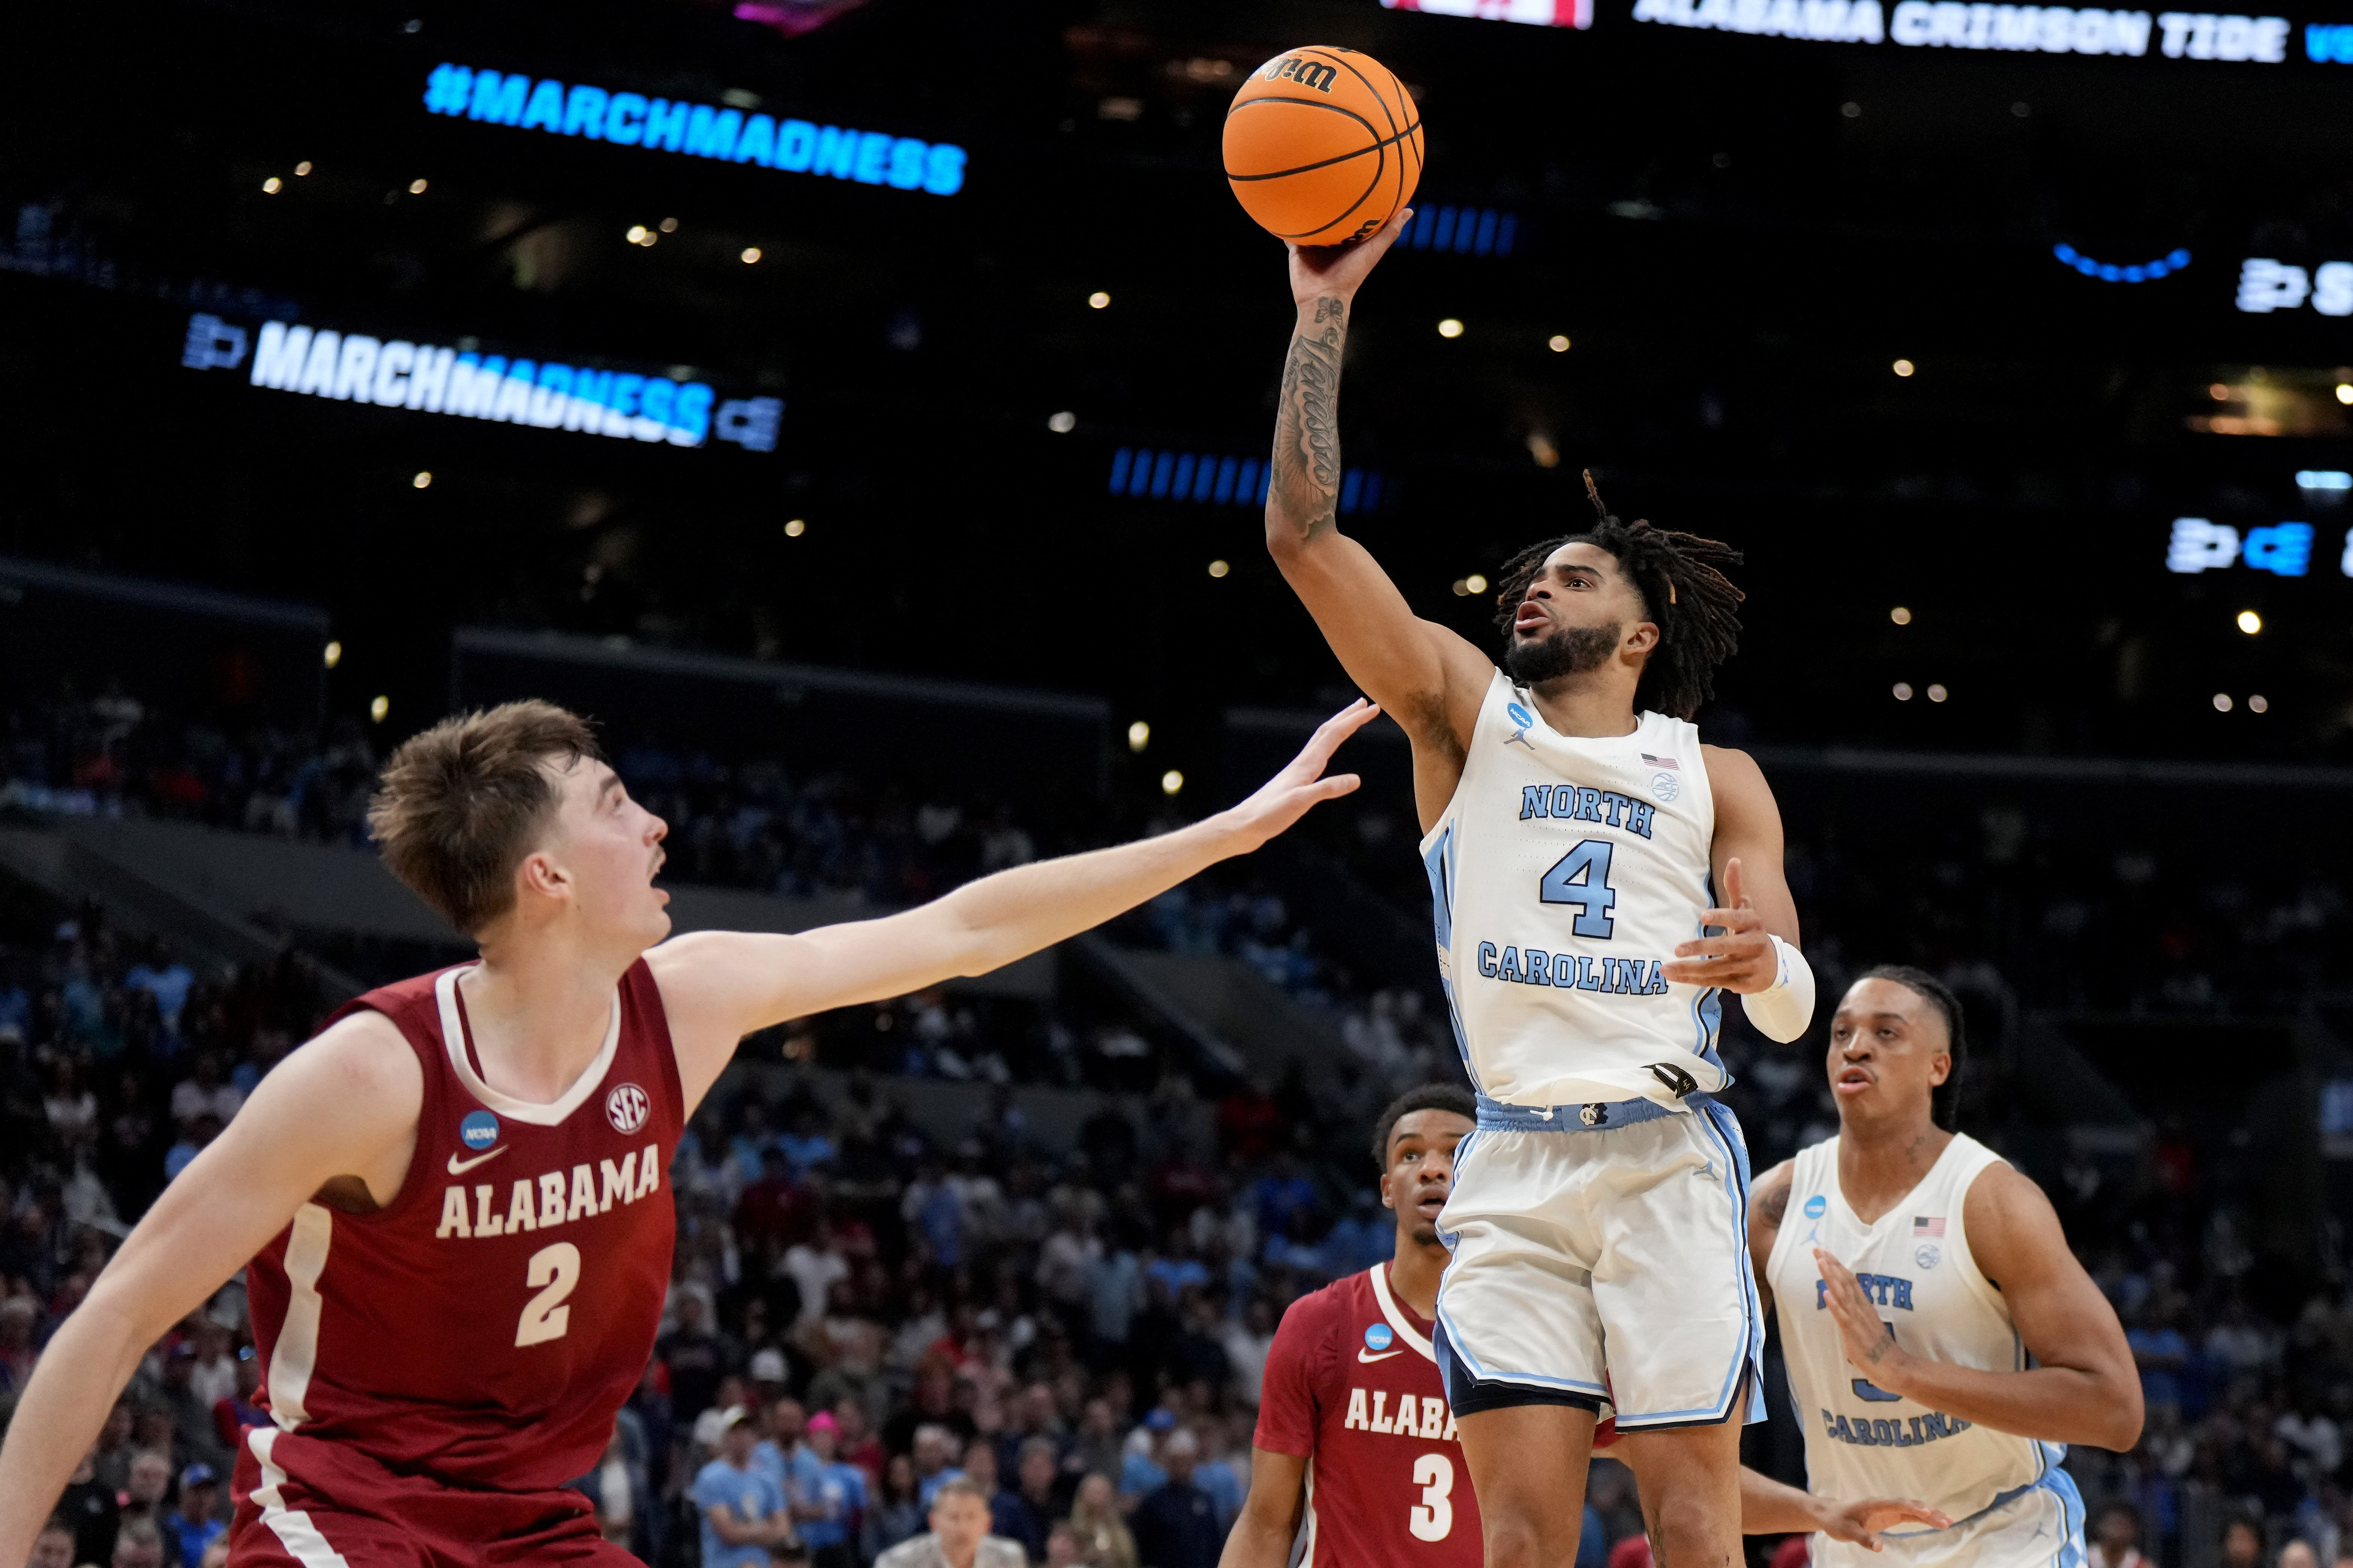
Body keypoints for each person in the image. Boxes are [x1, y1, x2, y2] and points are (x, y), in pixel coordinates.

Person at [0, 697, 1376, 1568]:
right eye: (614, 804)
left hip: (538, 1519)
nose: (655, 822)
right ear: (545, 877)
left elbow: (961, 929)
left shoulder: (688, 1000)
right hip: (341, 1508)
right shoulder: (373, 1072)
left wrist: (1223, 835)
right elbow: (115, 1315)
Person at [1259, 212, 1815, 1568]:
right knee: (1516, 1537)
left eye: (1575, 575)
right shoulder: (1463, 718)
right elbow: (1299, 533)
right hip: (1511, 1157)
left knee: (1694, 1520)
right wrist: (1319, 313)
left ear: (1638, 630)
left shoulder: (1716, 773)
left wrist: (1765, 967)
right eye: (1532, 574)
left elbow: (1794, 1004)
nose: (1537, 586)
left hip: (1668, 1157)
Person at [1220, 1086, 1942, 1568]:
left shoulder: (1552, 1333)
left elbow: (1680, 1479)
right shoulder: (1321, 1325)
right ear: (1385, 1187)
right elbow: (1265, 1518)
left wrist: (1821, 1510)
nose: (1431, 1170)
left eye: (1452, 1152)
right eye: (1409, 1155)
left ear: (1493, 1174)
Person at [1753, 967, 2145, 1568]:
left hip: (2004, 1537)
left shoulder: (1991, 1201)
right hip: (1854, 1542)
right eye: (1841, 1033)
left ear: (1938, 1066)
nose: (1855, 1046)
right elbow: (1698, 1409)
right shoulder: (1772, 1207)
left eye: (1887, 1032)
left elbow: (2115, 1409)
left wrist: (1904, 1370)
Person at [695, 1407, 796, 1568]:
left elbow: (783, 1529)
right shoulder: (711, 1477)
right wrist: (767, 1529)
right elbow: (728, 1532)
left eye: (747, 1431)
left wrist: (746, 1531)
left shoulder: (766, 1478)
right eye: (736, 1432)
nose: (743, 1437)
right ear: (726, 1436)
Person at [873, 1477, 1026, 1568]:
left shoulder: (1008, 1558)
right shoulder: (898, 1563)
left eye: (971, 1517)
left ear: (988, 1523)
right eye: (954, 1517)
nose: (963, 1527)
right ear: (933, 1522)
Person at [1127, 1429, 1219, 1568]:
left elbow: (1215, 1543)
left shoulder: (1205, 1500)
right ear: (1168, 1463)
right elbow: (1141, 1546)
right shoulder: (1153, 1503)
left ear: (1194, 1464)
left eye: (1186, 1462)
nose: (1182, 1468)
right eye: (1177, 1462)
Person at [163, 1466, 225, 1568]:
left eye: (208, 1492)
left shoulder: (219, 1531)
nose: (203, 1499)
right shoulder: (170, 1529)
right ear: (182, 1494)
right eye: (196, 1491)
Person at [2089, 1500, 2152, 1568]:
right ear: (2100, 1526)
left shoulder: (2143, 1565)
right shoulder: (2083, 1558)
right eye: (2113, 1524)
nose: (2118, 1531)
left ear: (2134, 1531)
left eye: (2124, 1526)